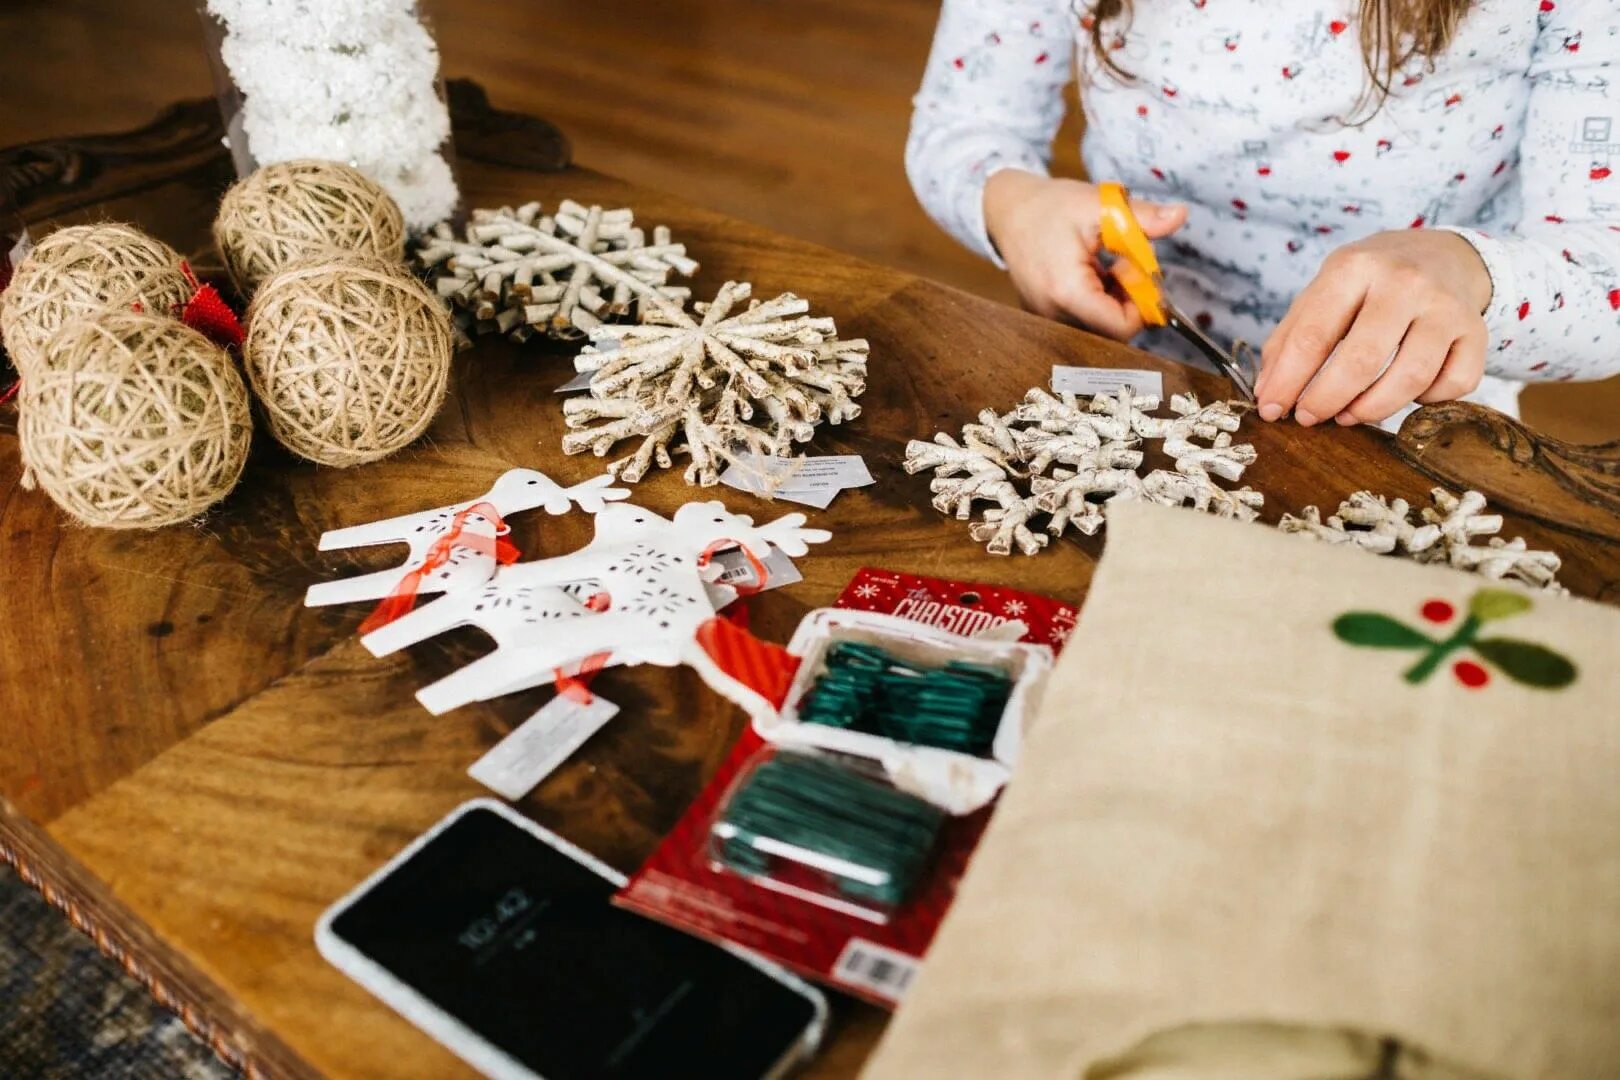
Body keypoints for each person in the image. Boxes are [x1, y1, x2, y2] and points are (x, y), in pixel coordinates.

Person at [907, 0, 1619, 428]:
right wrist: (1010, 203)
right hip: (1127, 381)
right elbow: (963, 121)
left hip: (1423, 426)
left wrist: (1472, 275)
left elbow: (1604, 274)